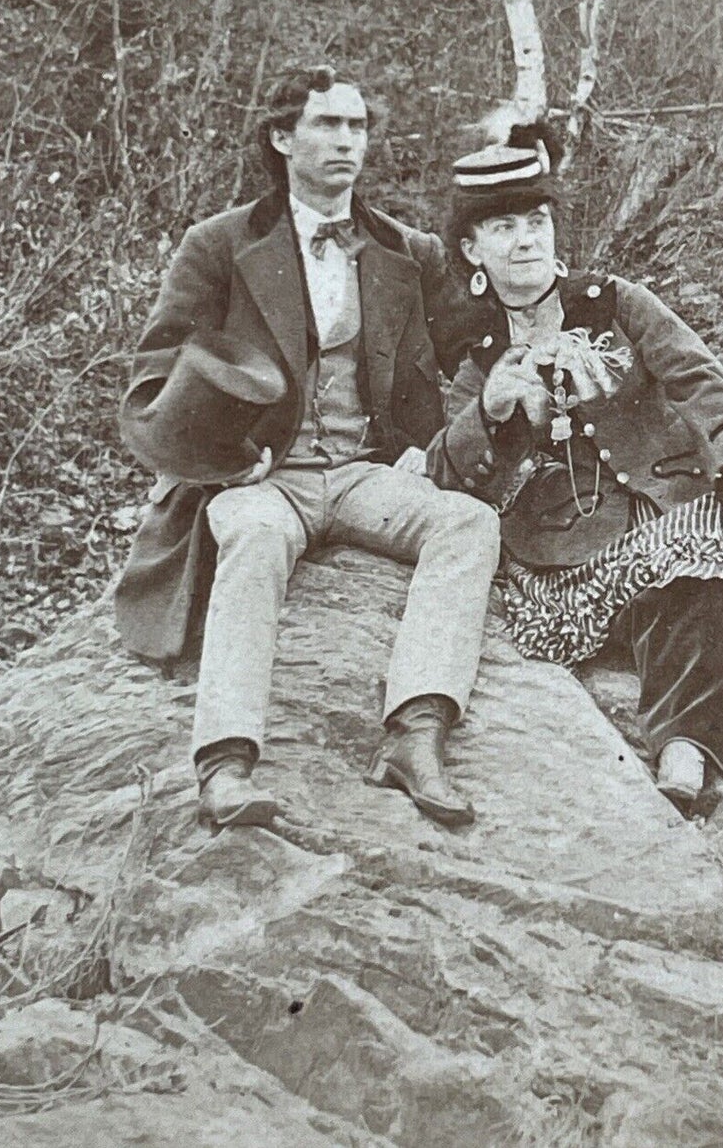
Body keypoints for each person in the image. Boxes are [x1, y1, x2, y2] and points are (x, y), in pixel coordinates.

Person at [429, 132, 723, 811]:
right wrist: (488, 413)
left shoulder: (615, 303)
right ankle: (690, 749)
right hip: (567, 553)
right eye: (503, 227)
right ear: (472, 250)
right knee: (704, 554)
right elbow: (446, 478)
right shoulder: (477, 362)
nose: (526, 240)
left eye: (537, 221)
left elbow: (698, 376)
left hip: (671, 503)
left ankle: (710, 754)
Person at [114, 66, 499, 831]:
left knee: (467, 523)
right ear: (282, 137)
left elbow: (479, 343)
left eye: (358, 127)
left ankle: (415, 731)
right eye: (328, 125)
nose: (347, 142)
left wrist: (455, 425)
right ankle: (225, 763)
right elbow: (154, 377)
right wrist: (226, 461)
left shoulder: (406, 249)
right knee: (251, 538)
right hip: (264, 479)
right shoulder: (219, 245)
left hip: (363, 471)